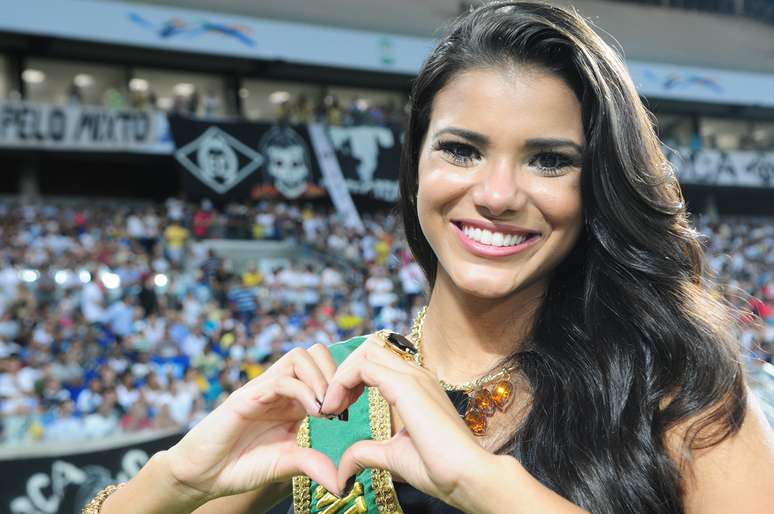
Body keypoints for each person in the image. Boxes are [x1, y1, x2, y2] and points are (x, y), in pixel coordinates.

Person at [90, 3, 774, 514]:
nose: (498, 195)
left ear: (595, 187)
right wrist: (176, 479)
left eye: (549, 160)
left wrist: (481, 484)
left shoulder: (681, 390)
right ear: (415, 165)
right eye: (462, 149)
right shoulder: (334, 403)